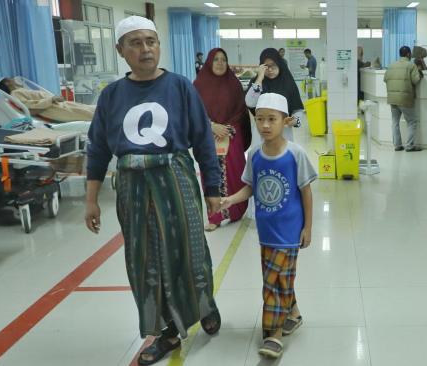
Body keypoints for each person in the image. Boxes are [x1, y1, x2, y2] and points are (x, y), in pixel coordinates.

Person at [83, 16, 222, 366]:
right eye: (135, 42)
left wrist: (213, 188)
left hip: (176, 179)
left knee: (190, 251)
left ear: (159, 45)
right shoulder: (112, 96)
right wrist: (91, 199)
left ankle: (203, 304)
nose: (145, 49)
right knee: (145, 261)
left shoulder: (179, 87)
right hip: (132, 186)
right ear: (120, 50)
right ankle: (166, 332)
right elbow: (97, 149)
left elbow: (203, 139)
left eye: (151, 41)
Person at [220, 92, 316, 359]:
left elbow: (306, 192)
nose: (264, 125)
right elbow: (250, 187)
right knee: (281, 278)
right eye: (260, 119)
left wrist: (308, 227)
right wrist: (229, 199)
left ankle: (272, 334)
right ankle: (293, 314)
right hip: (266, 232)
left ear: (285, 121)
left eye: (271, 119)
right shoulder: (255, 155)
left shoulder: (295, 154)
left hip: (288, 231)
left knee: (271, 283)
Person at [193, 48, 251, 232]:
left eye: (223, 60)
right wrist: (211, 126)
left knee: (235, 174)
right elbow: (194, 112)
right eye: (216, 59)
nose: (219, 63)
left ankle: (236, 210)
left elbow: (241, 111)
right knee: (211, 174)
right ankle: (215, 215)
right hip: (208, 137)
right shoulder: (198, 85)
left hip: (231, 134)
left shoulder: (233, 84)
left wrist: (227, 129)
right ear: (209, 62)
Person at [245, 48, 304, 142]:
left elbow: (298, 110)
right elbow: (250, 103)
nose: (270, 69)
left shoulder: (288, 82)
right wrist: (260, 77)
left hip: (283, 134)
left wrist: (295, 120)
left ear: (279, 64)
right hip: (262, 135)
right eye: (266, 66)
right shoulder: (257, 82)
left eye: (273, 65)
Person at [0, 78, 95, 122]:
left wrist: (53, 99)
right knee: (91, 114)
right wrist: (51, 100)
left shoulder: (21, 91)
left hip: (60, 106)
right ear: (7, 83)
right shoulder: (15, 94)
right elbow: (30, 109)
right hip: (55, 110)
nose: (13, 79)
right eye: (10, 79)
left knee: (92, 109)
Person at [384, 46, 423, 152]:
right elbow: (416, 80)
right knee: (412, 121)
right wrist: (419, 71)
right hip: (404, 98)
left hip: (392, 98)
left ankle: (397, 145)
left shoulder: (391, 65)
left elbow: (385, 79)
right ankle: (409, 146)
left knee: (395, 122)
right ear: (408, 54)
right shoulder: (411, 65)